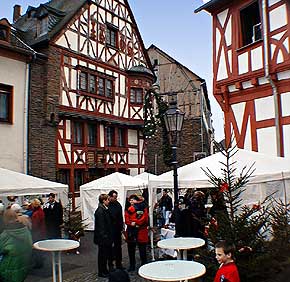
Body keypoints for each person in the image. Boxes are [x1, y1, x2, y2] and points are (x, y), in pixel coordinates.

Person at [0, 209, 32, 282]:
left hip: (9, 267)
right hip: (24, 265)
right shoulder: (25, 229)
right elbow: (30, 244)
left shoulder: (6, 234)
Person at [125, 194, 149, 272]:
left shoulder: (143, 208)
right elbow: (127, 219)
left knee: (142, 250)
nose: (132, 201)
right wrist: (131, 222)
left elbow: (144, 219)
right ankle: (132, 265)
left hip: (141, 232)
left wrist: (134, 222)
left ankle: (144, 265)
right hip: (131, 232)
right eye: (130, 200)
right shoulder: (128, 209)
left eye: (133, 200)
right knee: (131, 250)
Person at [94, 194, 113, 278]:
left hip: (105, 237)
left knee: (105, 255)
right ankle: (102, 271)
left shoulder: (104, 209)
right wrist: (105, 237)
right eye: (107, 200)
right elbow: (101, 226)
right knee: (102, 255)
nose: (109, 201)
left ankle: (104, 270)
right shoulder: (100, 211)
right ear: (103, 201)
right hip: (103, 238)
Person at [108, 190, 124, 270]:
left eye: (116, 197)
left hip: (117, 229)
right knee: (110, 248)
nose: (115, 198)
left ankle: (119, 263)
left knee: (118, 247)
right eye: (114, 197)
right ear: (110, 197)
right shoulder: (107, 205)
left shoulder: (118, 205)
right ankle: (110, 264)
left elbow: (120, 217)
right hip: (110, 230)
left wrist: (121, 228)